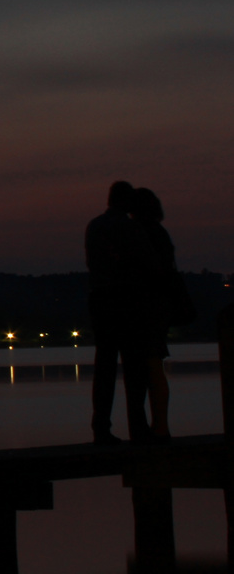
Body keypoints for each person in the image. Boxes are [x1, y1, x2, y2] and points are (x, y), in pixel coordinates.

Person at [84, 180, 151, 443]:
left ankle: (101, 426)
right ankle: (139, 427)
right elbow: (146, 263)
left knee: (105, 366)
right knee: (134, 367)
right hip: (126, 299)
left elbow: (92, 262)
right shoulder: (129, 228)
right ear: (126, 202)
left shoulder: (95, 226)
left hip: (99, 299)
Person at [131, 187, 175, 441]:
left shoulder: (143, 234)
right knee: (154, 364)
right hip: (160, 306)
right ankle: (160, 425)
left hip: (148, 307)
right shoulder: (160, 234)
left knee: (151, 365)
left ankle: (159, 426)